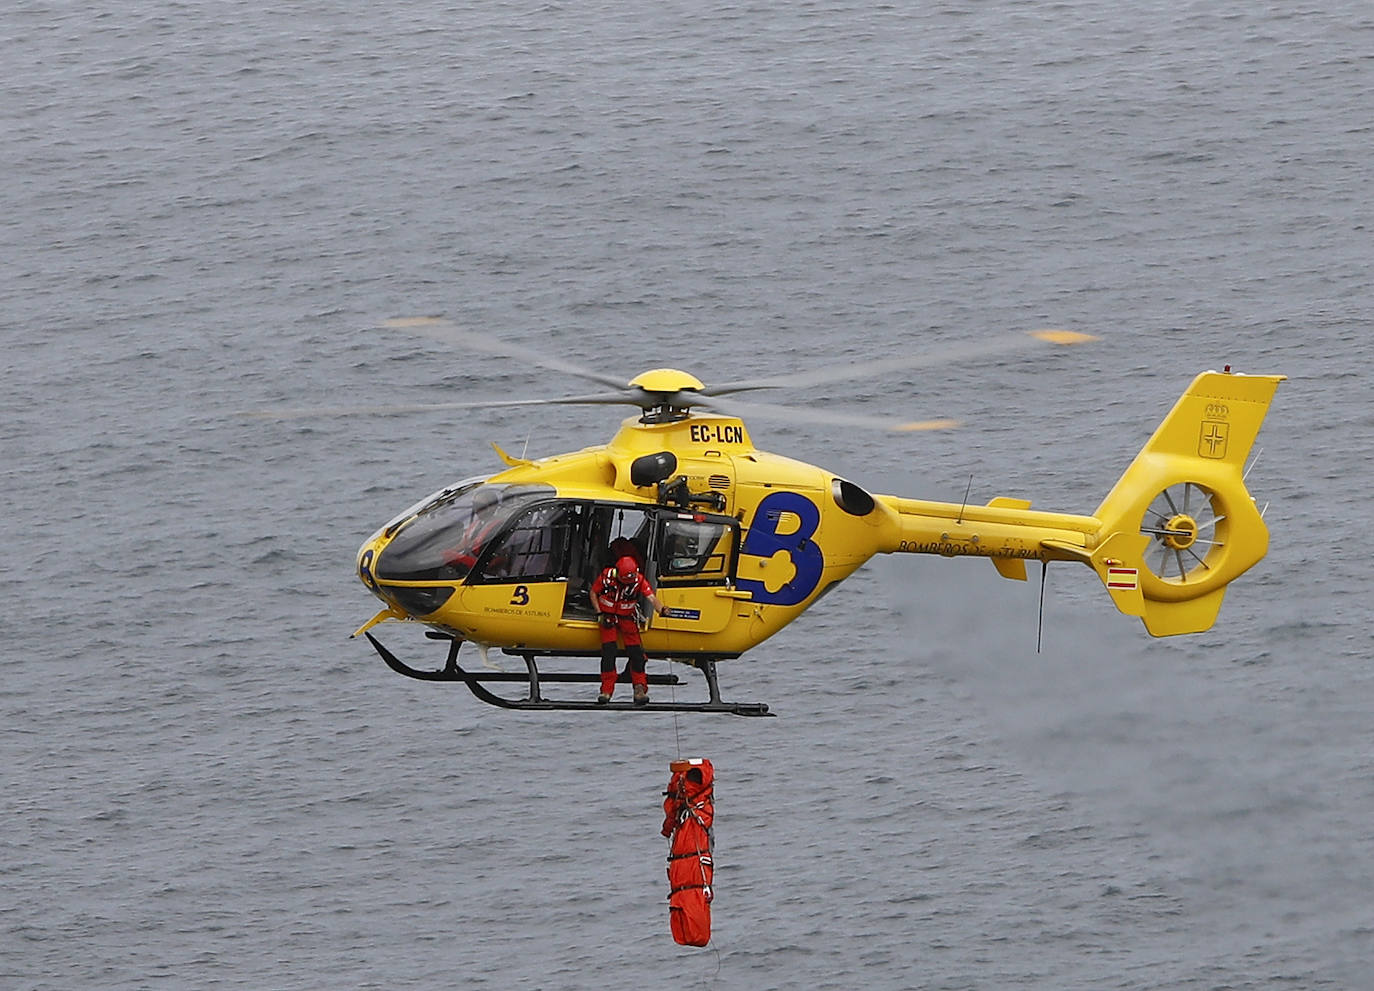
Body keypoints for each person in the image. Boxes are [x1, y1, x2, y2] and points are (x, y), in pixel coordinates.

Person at [591, 554, 664, 704]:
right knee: (608, 653)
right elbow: (593, 592)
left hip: (627, 618)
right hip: (608, 618)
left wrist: (661, 609)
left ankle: (639, 688)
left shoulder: (639, 581)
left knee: (637, 654)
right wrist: (599, 613)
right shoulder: (606, 577)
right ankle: (606, 690)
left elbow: (651, 597)